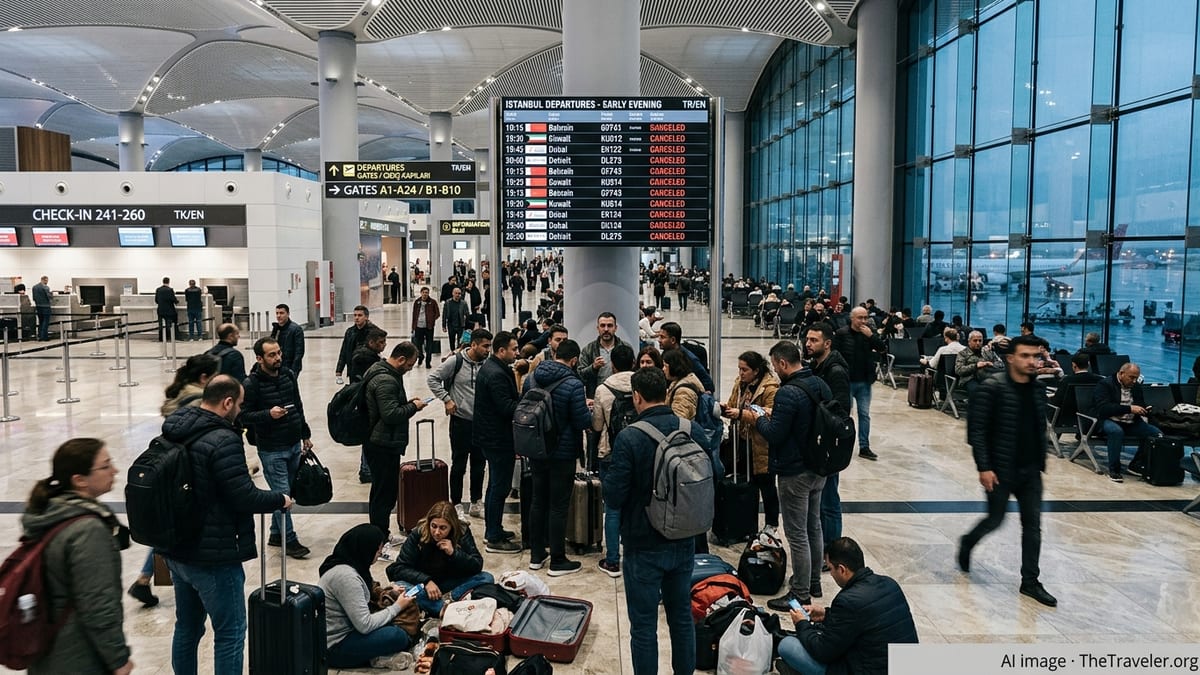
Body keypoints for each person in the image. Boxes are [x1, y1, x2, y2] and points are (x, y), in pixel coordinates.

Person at [161, 375, 293, 674]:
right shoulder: (223, 439)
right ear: (227, 402)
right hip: (214, 555)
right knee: (230, 632)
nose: (241, 412)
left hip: (177, 548)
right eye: (240, 405)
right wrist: (278, 499)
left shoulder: (176, 428)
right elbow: (243, 496)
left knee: (187, 627)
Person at [603, 366, 704, 674]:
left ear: (636, 396)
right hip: (684, 537)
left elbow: (615, 496)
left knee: (644, 626)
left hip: (643, 541)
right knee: (681, 618)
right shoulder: (691, 429)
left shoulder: (630, 437)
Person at [958, 334, 1058, 607]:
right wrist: (984, 467)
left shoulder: (1038, 390)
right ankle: (968, 542)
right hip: (1000, 469)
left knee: (1033, 526)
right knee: (995, 519)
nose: (1031, 361)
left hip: (1030, 470)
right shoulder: (991, 387)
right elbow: (976, 432)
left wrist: (1040, 461)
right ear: (1010, 358)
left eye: (1035, 356)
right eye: (1025, 356)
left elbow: (1038, 428)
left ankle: (1030, 581)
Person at [22, 438, 133, 675]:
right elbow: (97, 604)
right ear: (79, 480)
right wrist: (118, 659)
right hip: (79, 657)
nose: (114, 470)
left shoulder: (51, 512)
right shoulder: (87, 530)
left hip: (48, 651)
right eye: (105, 466)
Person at [128, 353, 224, 607]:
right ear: (205, 377)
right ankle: (151, 578)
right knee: (173, 531)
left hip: (172, 471)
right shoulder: (197, 402)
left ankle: (147, 579)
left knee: (167, 528)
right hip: (186, 474)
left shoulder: (179, 395)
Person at [751, 340, 831, 611]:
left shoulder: (787, 393)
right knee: (814, 525)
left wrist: (758, 417)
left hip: (794, 471)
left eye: (775, 366)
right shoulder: (819, 383)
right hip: (819, 466)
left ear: (783, 363)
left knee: (796, 533)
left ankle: (800, 593)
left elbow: (774, 433)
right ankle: (814, 582)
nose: (774, 371)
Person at [777, 537, 918, 675]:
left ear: (842, 569)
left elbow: (823, 652)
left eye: (831, 568)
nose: (831, 574)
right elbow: (864, 618)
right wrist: (827, 614)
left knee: (787, 645)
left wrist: (802, 623)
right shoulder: (889, 583)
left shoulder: (848, 600)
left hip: (871, 669)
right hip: (906, 665)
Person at [523, 338, 592, 576]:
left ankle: (536, 555)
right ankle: (558, 560)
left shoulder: (532, 377)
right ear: (573, 360)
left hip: (536, 449)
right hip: (562, 453)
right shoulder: (573, 384)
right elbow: (582, 421)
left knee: (537, 500)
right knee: (559, 505)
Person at [241, 337, 313, 558]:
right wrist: (267, 414)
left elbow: (298, 404)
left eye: (279, 353)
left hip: (292, 443)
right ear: (259, 358)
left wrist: (305, 433)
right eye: (272, 355)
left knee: (286, 492)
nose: (278, 358)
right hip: (272, 449)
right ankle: (289, 539)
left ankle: (275, 533)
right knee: (282, 495)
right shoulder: (251, 384)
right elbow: (243, 416)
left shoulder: (288, 375)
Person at [318, 524, 415, 670]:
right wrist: (397, 606)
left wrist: (389, 591)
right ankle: (373, 657)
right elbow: (365, 625)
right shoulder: (346, 577)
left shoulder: (348, 563)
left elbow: (367, 591)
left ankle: (374, 655)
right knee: (398, 636)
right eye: (378, 549)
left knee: (390, 622)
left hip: (345, 632)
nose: (380, 553)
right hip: (335, 646)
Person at [363, 341, 426, 537]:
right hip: (382, 443)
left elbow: (386, 406)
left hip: (380, 440)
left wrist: (406, 403)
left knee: (381, 491)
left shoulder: (379, 370)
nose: (409, 369)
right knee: (384, 494)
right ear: (400, 359)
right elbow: (390, 414)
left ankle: (379, 532)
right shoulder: (386, 380)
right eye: (409, 365)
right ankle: (379, 536)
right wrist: (414, 407)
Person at [385, 501, 493, 616]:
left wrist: (454, 553)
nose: (437, 532)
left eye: (443, 528)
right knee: (402, 587)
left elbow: (476, 565)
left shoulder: (462, 531)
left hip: (450, 582)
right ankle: (445, 609)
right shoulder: (418, 533)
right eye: (433, 526)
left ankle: (445, 602)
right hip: (423, 585)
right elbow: (400, 567)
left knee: (486, 578)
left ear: (451, 526)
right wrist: (426, 581)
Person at [428, 329, 491, 521]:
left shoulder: (488, 363)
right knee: (459, 464)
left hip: (481, 422)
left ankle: (475, 501)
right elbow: (432, 378)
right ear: (473, 345)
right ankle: (455, 504)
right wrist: (446, 399)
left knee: (479, 465)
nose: (488, 350)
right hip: (461, 421)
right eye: (485, 346)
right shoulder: (456, 361)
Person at [720, 350, 781, 536]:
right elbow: (733, 403)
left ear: (756, 371)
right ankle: (746, 521)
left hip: (762, 445)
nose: (741, 373)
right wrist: (727, 409)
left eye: (744, 369)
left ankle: (772, 523)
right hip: (742, 441)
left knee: (767, 486)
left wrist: (742, 415)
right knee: (747, 485)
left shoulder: (770, 388)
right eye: (739, 369)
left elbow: (770, 414)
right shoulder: (740, 384)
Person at [474, 330, 523, 553]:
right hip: (497, 438)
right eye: (514, 349)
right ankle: (493, 536)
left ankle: (494, 528)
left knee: (496, 484)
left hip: (493, 436)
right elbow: (506, 407)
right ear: (501, 350)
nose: (517, 352)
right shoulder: (495, 374)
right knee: (499, 486)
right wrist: (527, 406)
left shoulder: (496, 368)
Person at [806, 323, 851, 550]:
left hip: (829, 445)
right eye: (807, 339)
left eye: (814, 340)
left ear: (827, 343)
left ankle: (831, 547)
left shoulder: (835, 371)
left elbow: (841, 409)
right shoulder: (817, 366)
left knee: (829, 500)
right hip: (820, 441)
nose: (808, 344)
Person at [592, 343, 636, 577]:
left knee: (613, 507)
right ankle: (634, 555)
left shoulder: (603, 388)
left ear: (612, 364)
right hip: (639, 451)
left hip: (611, 452)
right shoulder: (643, 383)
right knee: (637, 505)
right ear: (633, 362)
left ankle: (612, 561)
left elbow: (597, 425)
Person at [1091, 362, 1162, 483]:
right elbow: (1103, 409)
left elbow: (1139, 404)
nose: (1134, 381)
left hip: (1131, 421)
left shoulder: (1136, 386)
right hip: (1108, 419)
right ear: (1121, 373)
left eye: (1136, 378)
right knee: (1116, 431)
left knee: (1155, 433)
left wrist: (1145, 409)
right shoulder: (1105, 384)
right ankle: (1114, 469)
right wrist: (1129, 408)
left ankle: (1136, 464)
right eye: (1131, 377)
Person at [833, 307, 883, 463]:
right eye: (860, 317)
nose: (863, 321)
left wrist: (872, 336)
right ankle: (842, 443)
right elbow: (835, 355)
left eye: (865, 317)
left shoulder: (868, 334)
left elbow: (882, 348)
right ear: (852, 318)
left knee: (864, 415)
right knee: (844, 415)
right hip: (846, 382)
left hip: (864, 382)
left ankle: (864, 446)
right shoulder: (841, 334)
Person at [579, 311, 628, 398]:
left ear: (615, 328)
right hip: (597, 397)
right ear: (598, 328)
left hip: (621, 397)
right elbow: (580, 375)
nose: (606, 329)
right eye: (602, 326)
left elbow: (633, 372)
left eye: (609, 325)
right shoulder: (588, 350)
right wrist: (593, 367)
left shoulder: (625, 348)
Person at [656, 321, 714, 392]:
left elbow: (708, 383)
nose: (659, 340)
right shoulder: (666, 354)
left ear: (673, 340)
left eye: (662, 337)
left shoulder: (689, 358)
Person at [336, 305, 377, 383]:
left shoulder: (373, 332)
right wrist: (339, 370)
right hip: (353, 370)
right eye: (355, 315)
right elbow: (344, 351)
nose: (356, 318)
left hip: (368, 369)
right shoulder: (350, 332)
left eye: (360, 315)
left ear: (366, 317)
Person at [663, 347, 705, 421]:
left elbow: (678, 420)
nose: (663, 369)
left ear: (673, 366)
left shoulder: (684, 392)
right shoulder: (679, 382)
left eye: (665, 366)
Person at [955, 330, 998, 397]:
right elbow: (959, 370)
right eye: (975, 341)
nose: (978, 343)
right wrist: (975, 366)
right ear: (969, 342)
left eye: (980, 341)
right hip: (969, 379)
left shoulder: (986, 352)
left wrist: (992, 364)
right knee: (977, 391)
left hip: (986, 377)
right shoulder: (963, 354)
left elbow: (1000, 364)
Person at [271, 303, 305, 375]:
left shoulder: (296, 329)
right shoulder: (276, 329)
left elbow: (299, 352)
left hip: (290, 366)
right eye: (277, 313)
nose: (279, 316)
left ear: (288, 314)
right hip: (278, 365)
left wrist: (293, 370)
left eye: (281, 313)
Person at [411, 286, 440, 368]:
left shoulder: (433, 302)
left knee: (429, 344)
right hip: (418, 326)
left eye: (427, 292)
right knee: (418, 344)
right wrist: (413, 327)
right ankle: (420, 356)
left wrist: (432, 320)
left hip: (429, 327)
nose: (425, 294)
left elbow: (437, 313)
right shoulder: (417, 302)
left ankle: (428, 361)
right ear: (421, 293)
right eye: (423, 292)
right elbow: (414, 315)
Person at [155, 276, 178, 342]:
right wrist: (177, 302)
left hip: (160, 310)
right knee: (168, 324)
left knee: (160, 324)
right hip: (169, 310)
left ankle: (161, 338)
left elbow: (156, 300)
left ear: (163, 282)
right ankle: (168, 337)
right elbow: (173, 299)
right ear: (169, 282)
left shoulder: (158, 289)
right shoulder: (170, 290)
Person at [32, 275, 52, 341]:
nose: (47, 282)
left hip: (38, 306)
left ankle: (40, 336)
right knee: (45, 322)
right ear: (44, 280)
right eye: (46, 280)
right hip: (46, 307)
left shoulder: (34, 287)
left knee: (40, 322)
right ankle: (44, 336)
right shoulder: (46, 287)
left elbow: (34, 298)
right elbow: (49, 297)